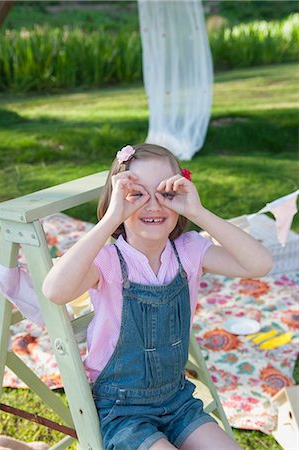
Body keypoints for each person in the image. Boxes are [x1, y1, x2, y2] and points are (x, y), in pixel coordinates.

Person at [43, 143, 273, 450]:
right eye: (136, 195)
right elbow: (54, 291)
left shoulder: (188, 251)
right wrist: (110, 219)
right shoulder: (109, 260)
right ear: (117, 201)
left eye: (166, 193)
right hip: (121, 409)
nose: (153, 206)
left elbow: (260, 264)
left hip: (176, 400)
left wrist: (198, 212)